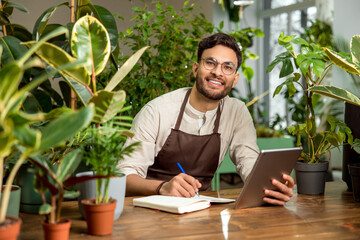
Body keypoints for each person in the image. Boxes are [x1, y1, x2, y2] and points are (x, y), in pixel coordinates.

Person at [118, 33, 295, 206]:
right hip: (151, 210)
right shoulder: (156, 110)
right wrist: (162, 187)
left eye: (227, 67)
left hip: (203, 209)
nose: (217, 72)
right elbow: (124, 175)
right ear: (196, 68)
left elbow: (248, 161)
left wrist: (270, 187)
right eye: (210, 63)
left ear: (235, 79)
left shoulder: (237, 112)